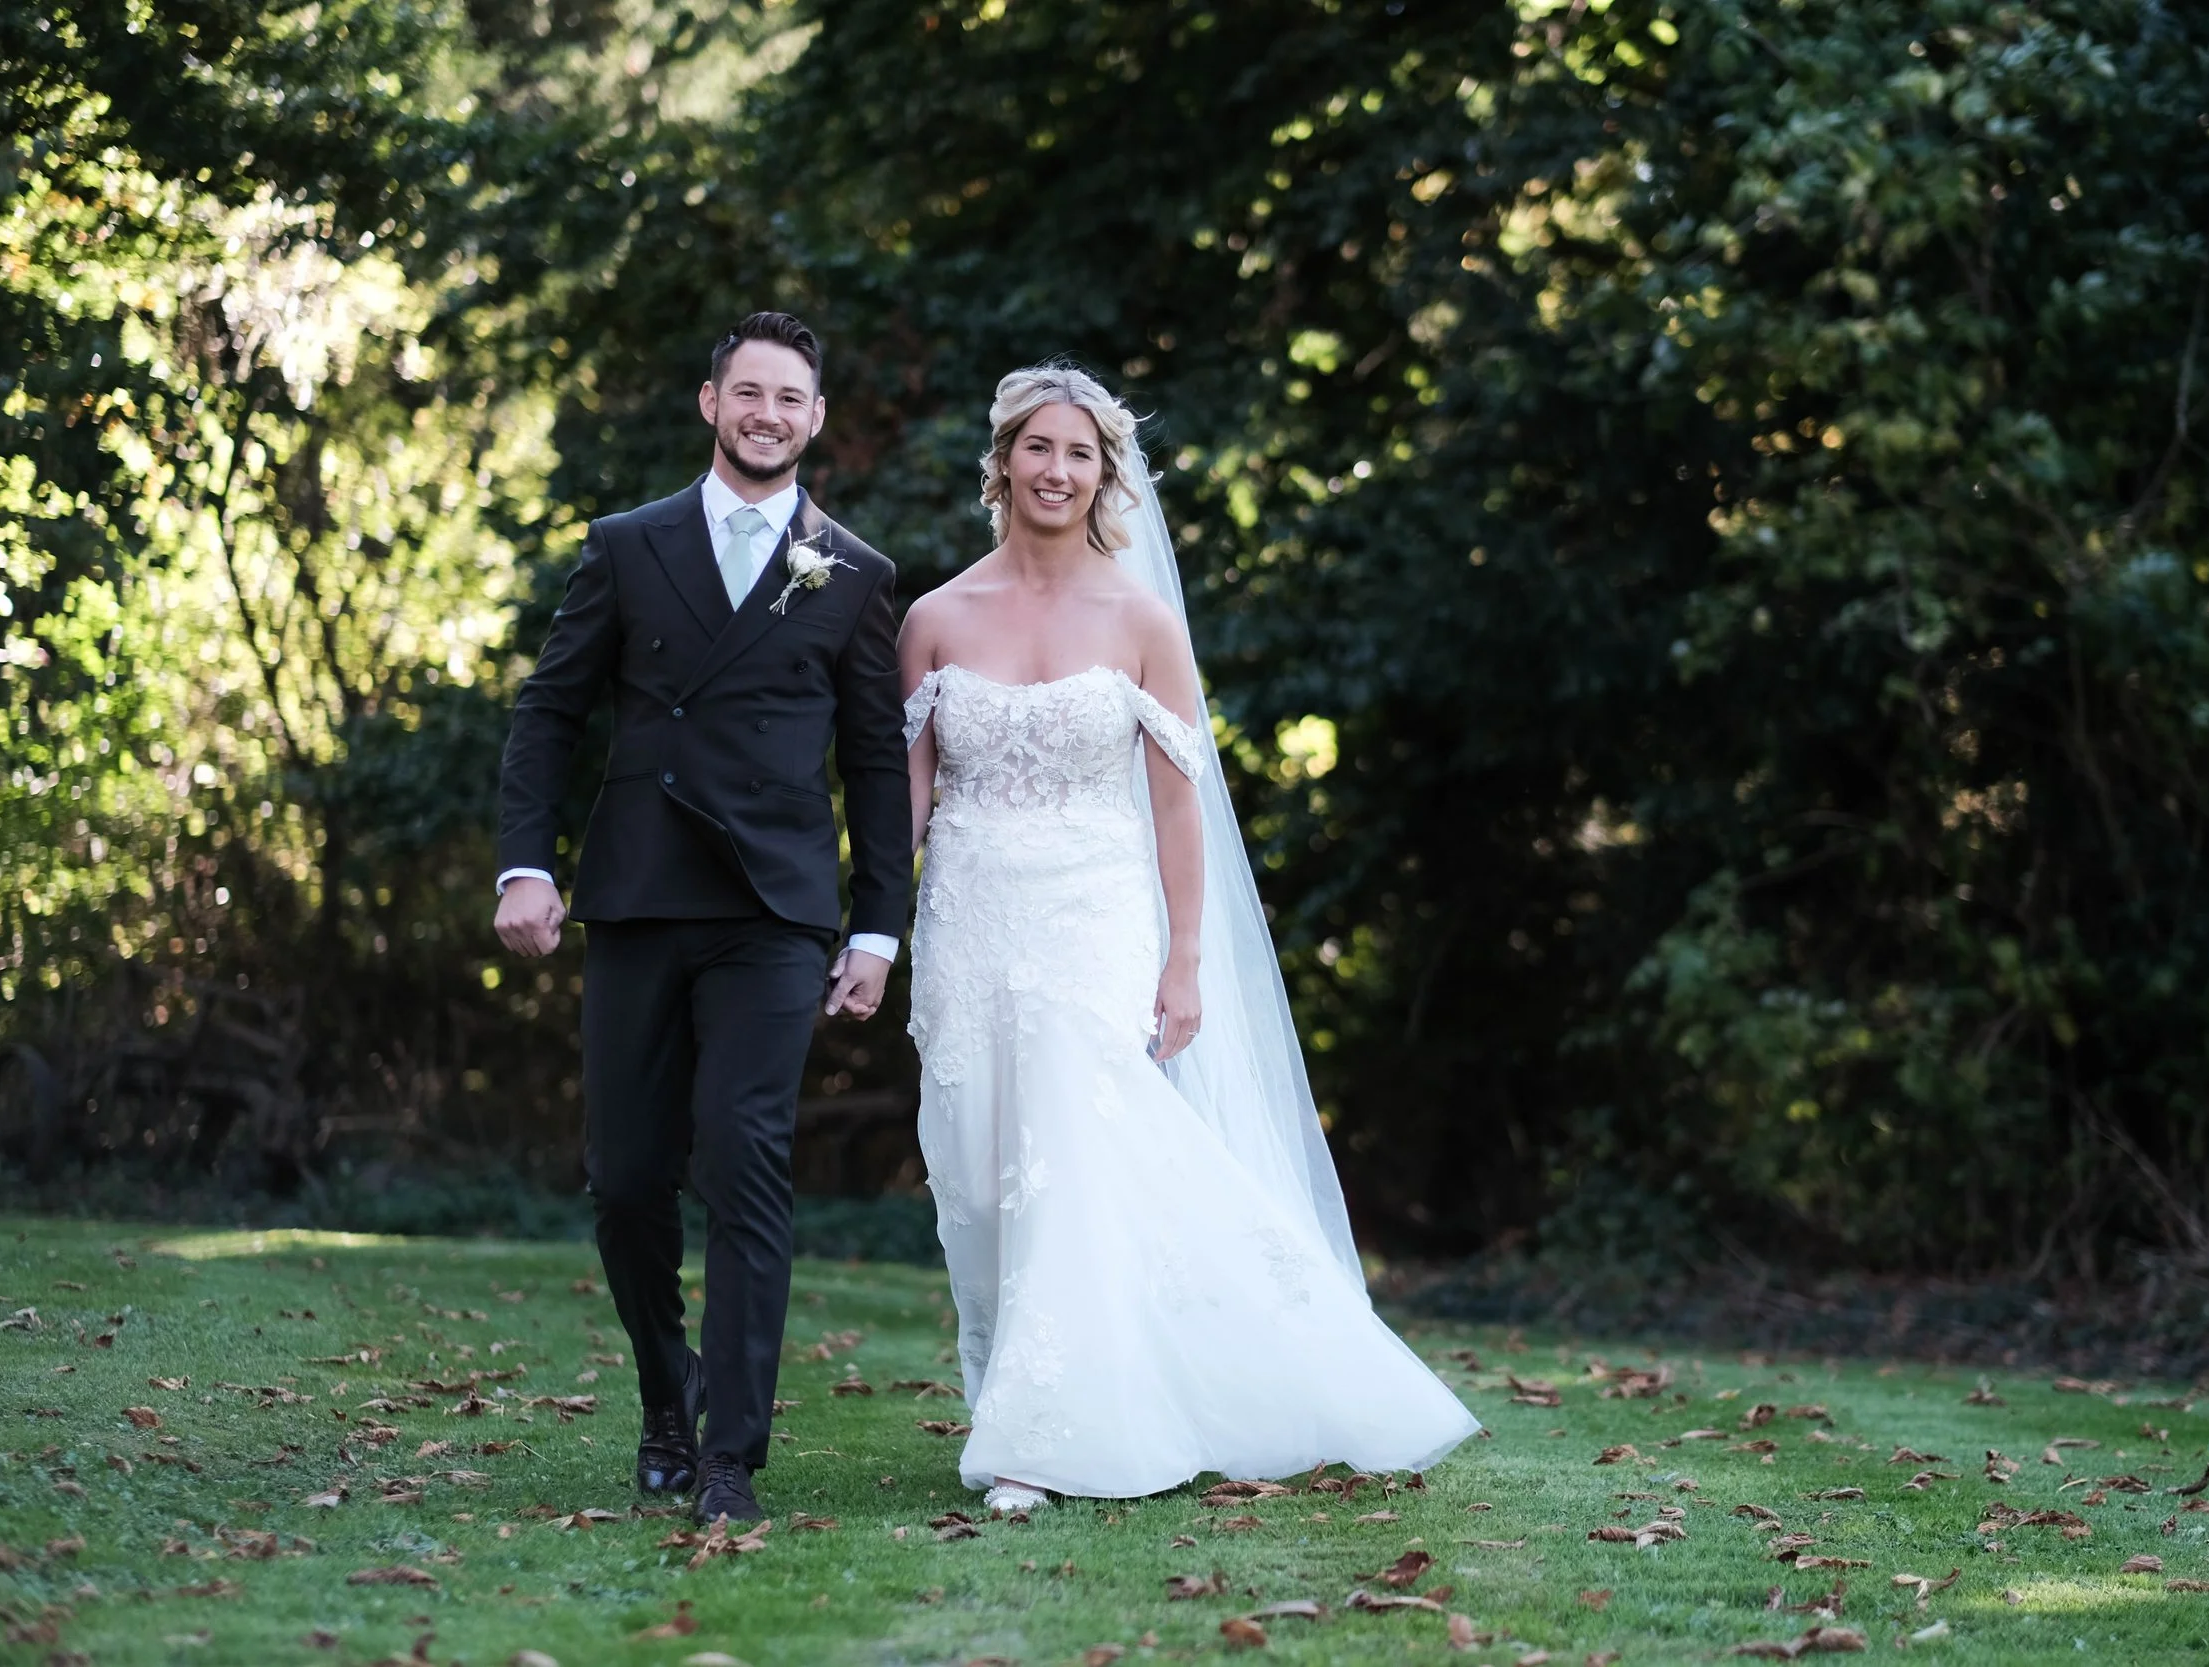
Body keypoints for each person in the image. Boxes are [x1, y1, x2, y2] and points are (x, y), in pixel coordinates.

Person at [896, 363, 1478, 1512]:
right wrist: (857, 928)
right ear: (1002, 461)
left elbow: (1177, 805)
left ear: (1105, 474)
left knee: (1073, 1170)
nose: (1057, 471)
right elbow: (903, 809)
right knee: (975, 1176)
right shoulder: (932, 619)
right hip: (967, 925)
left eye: (1081, 454)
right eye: (1038, 448)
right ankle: (1040, 1389)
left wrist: (1183, 959)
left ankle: (1041, 1440)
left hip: (1093, 923)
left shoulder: (1143, 621)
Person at [492, 312, 912, 1527]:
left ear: (815, 417)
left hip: (774, 911)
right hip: (636, 893)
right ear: (710, 402)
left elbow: (878, 767)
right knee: (625, 1179)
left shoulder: (856, 571)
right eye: (748, 392)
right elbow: (548, 715)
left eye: (791, 396)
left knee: (744, 1160)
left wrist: (876, 929)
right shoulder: (628, 546)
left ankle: (729, 1447)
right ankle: (664, 1395)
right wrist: (528, 863)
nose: (769, 412)